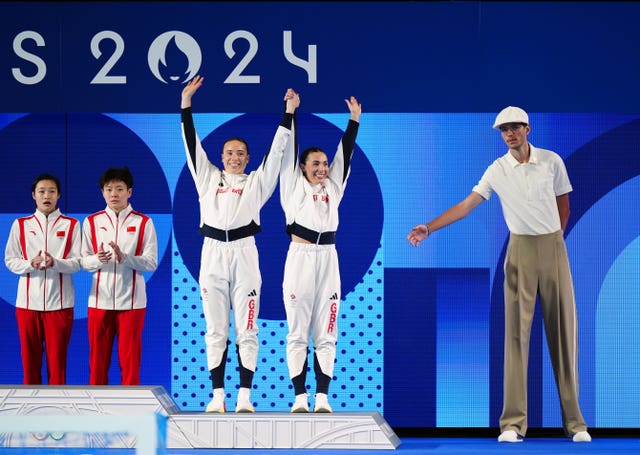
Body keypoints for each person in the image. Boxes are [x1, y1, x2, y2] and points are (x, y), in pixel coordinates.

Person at [407, 106, 591, 442]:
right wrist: (429, 228)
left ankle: (575, 423)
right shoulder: (497, 169)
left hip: (552, 248)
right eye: (503, 130)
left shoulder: (551, 161)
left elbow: (564, 204)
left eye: (514, 128)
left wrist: (554, 241)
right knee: (516, 338)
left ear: (527, 129)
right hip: (519, 251)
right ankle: (512, 424)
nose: (509, 134)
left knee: (564, 334)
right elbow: (467, 204)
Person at [180, 75, 299, 413]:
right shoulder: (207, 178)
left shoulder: (256, 184)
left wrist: (287, 113)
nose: (234, 158)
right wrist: (185, 104)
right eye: (229, 153)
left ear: (248, 159)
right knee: (216, 329)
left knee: (247, 327)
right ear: (221, 156)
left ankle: (244, 396)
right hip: (212, 254)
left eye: (241, 154)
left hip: (245, 253)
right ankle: (217, 396)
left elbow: (276, 154)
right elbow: (192, 145)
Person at [280, 94, 362, 413]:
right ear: (303, 167)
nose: (322, 168)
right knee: (298, 331)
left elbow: (345, 153)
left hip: (329, 259)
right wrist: (291, 112)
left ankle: (322, 397)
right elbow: (288, 151)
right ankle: (300, 396)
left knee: (327, 330)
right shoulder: (291, 185)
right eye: (315, 163)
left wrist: (354, 120)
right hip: (299, 259)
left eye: (325, 164)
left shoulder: (334, 187)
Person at [80, 167, 158, 386]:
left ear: (129, 192)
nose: (114, 194)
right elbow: (83, 262)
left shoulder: (144, 222)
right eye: (109, 189)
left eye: (119, 189)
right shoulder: (91, 222)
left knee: (130, 362)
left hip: (132, 302)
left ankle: (131, 415)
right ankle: (95, 414)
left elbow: (151, 262)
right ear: (103, 193)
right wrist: (98, 259)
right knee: (97, 363)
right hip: (99, 300)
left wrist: (127, 258)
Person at [4, 173, 81, 385]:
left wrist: (56, 262)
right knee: (30, 364)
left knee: (58, 365)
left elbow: (77, 263)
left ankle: (58, 411)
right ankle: (31, 413)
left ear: (59, 196)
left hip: (61, 304)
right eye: (42, 191)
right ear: (34, 195)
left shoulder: (71, 225)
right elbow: (10, 261)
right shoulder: (20, 225)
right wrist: (31, 263)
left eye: (51, 191)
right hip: (28, 305)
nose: (46, 195)